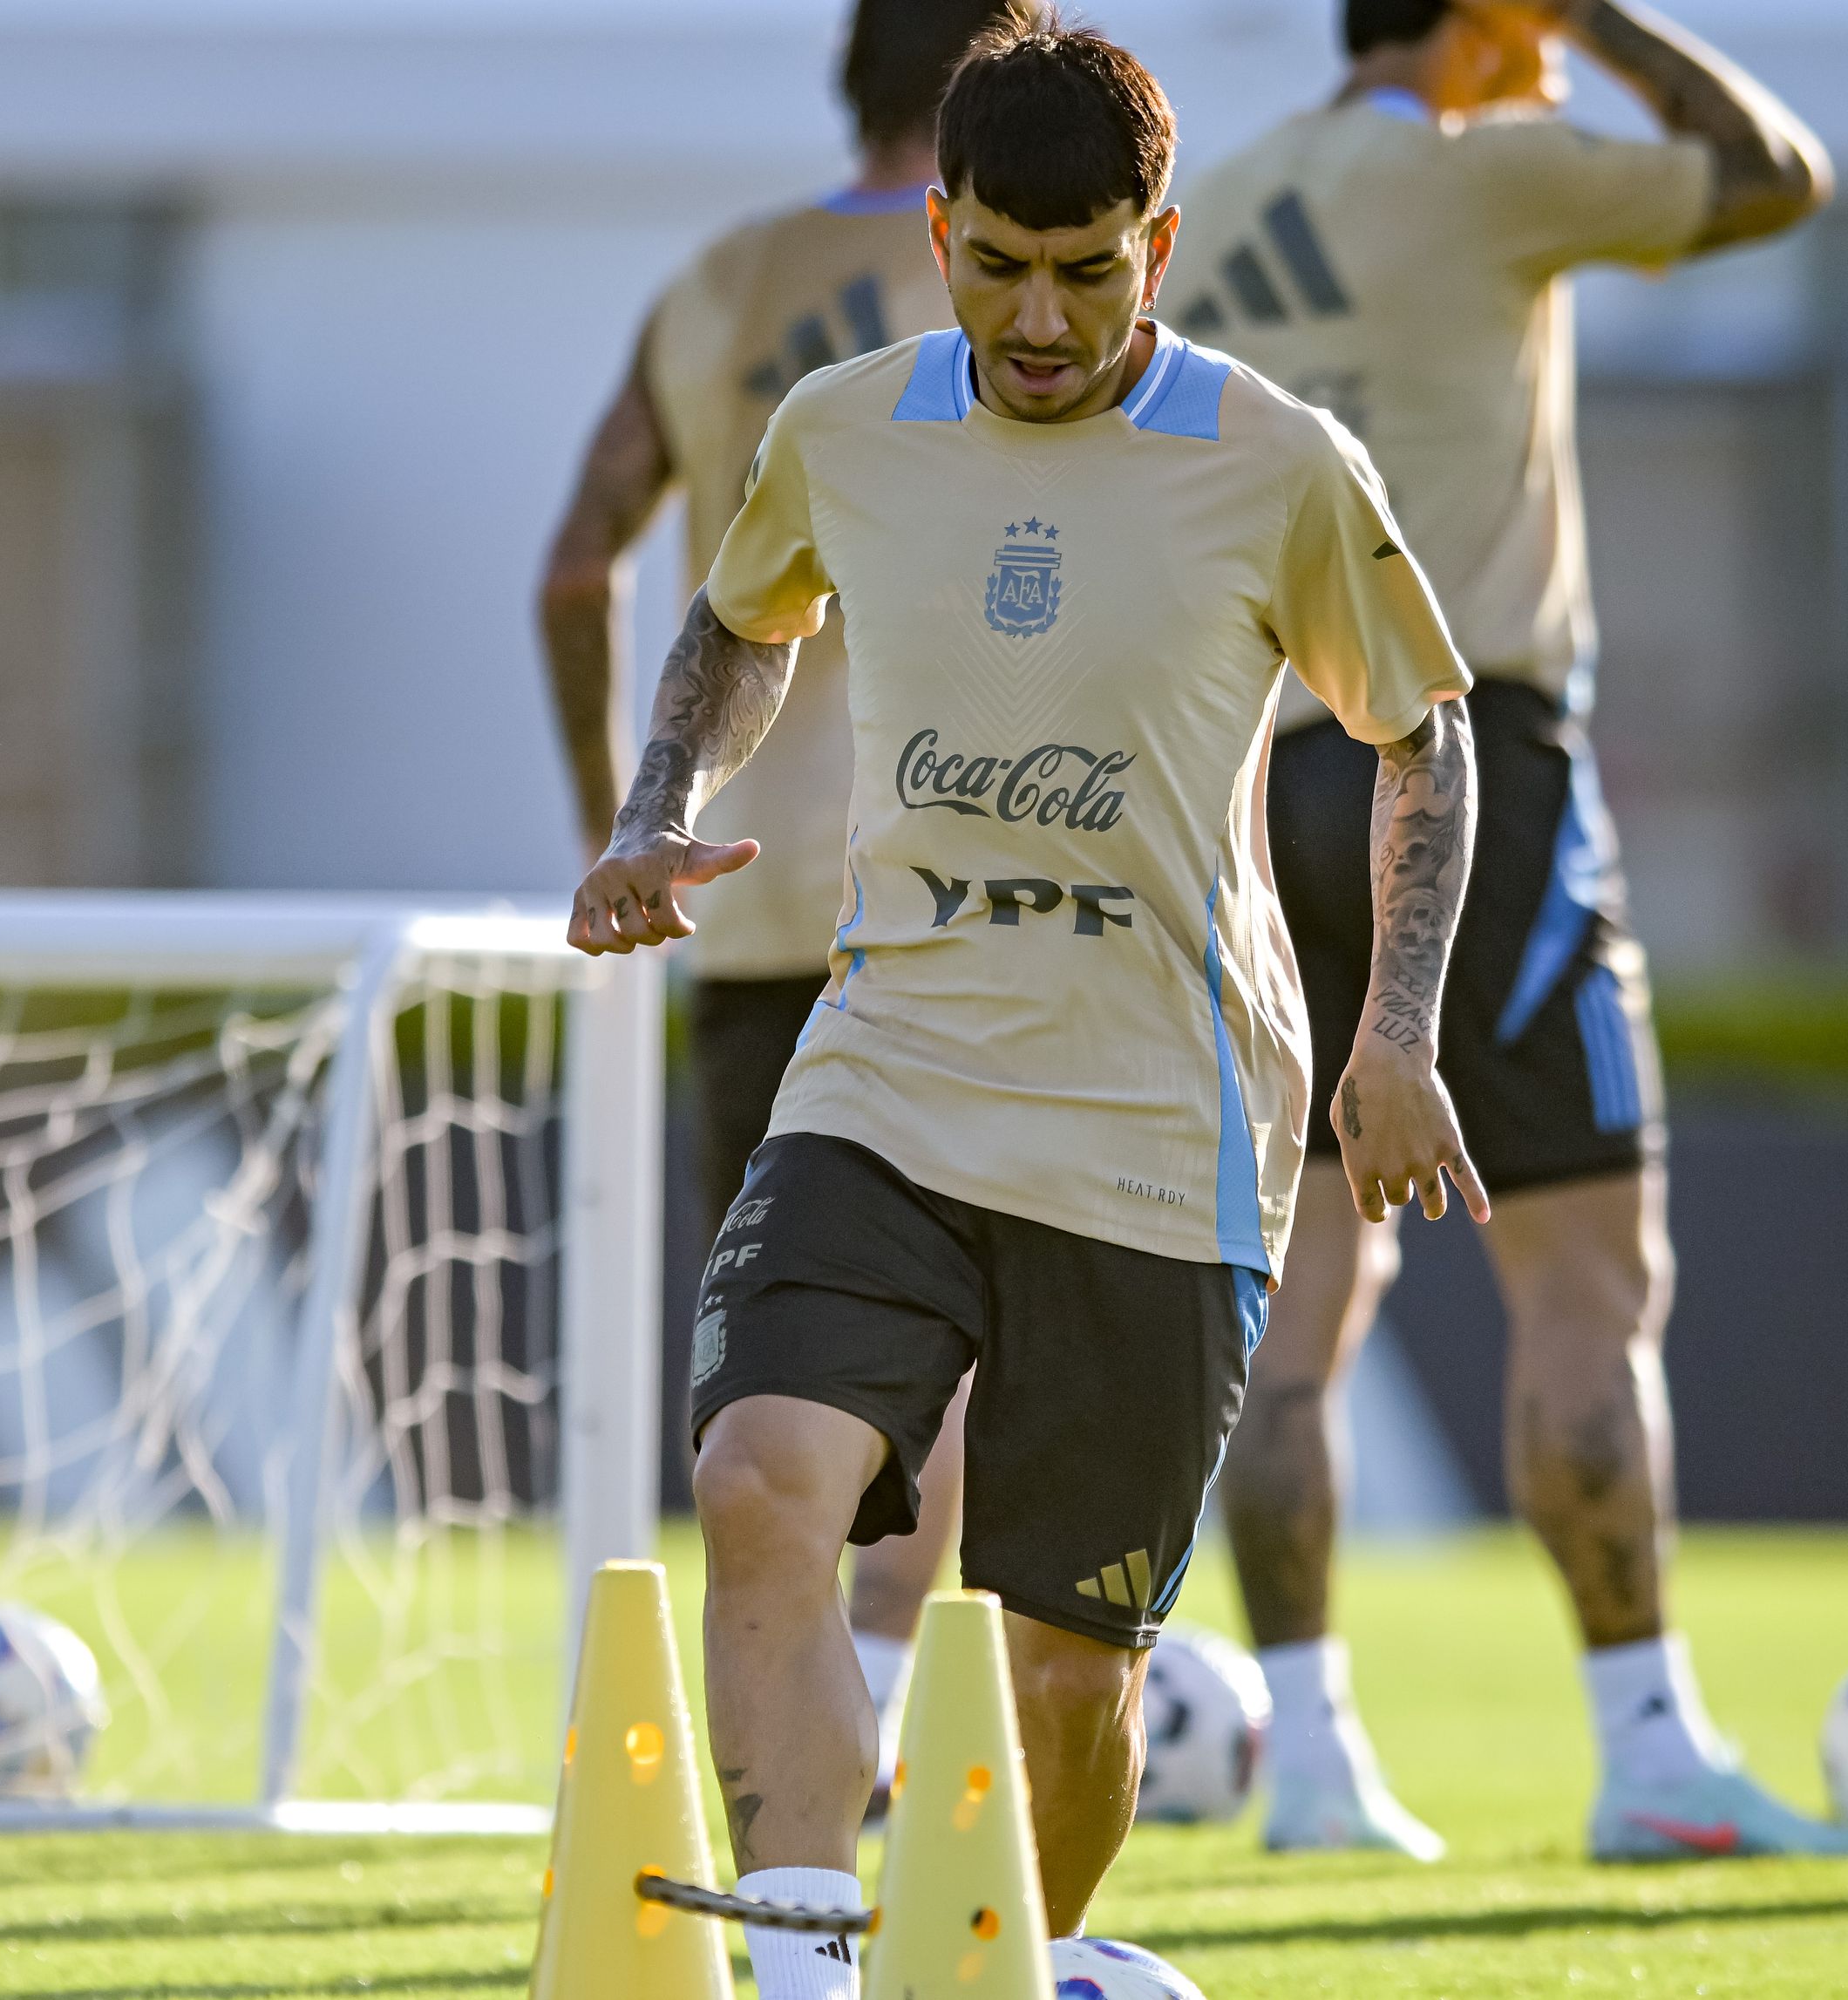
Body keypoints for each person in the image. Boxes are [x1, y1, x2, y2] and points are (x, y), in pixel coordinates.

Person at [568, 13, 1485, 1993]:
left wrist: (1393, 1033)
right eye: (997, 263)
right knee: (759, 1482)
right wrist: (657, 810)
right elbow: (738, 619)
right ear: (942, 230)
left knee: (1069, 1676)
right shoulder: (845, 423)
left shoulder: (1278, 460)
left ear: (1157, 248)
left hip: (1160, 1131)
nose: (1040, 315)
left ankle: (1003, 1963)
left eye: (1088, 270)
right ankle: (810, 1959)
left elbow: (1430, 742)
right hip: (887, 1074)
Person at [1174, 0, 1848, 1863]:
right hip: (1476, 773)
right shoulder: (1482, 166)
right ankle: (1650, 1751)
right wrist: (1606, 25)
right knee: (1589, 1279)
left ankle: (1307, 1755)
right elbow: (1778, 175)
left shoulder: (1218, 200)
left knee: (1298, 1311)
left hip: (1264, 782)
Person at [539, 0, 1010, 1780]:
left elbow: (578, 569)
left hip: (733, 907)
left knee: (791, 1354)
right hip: (952, 898)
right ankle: (876, 1696)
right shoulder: (1026, 275)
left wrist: (623, 828)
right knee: (956, 1337)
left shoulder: (717, 282)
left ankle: (804, 1729)